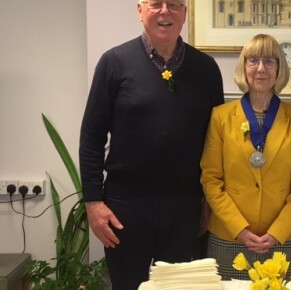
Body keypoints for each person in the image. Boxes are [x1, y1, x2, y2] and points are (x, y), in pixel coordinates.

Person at [79, 0, 224, 289]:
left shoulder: (206, 68)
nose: (165, 12)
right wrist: (94, 203)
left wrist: (209, 199)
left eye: (174, 4)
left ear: (184, 13)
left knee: (180, 287)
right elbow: (92, 135)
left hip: (184, 206)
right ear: (140, 10)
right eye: (156, 3)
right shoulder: (114, 62)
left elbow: (216, 143)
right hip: (125, 206)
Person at [200, 34, 291, 280]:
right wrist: (238, 229)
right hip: (229, 237)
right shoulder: (220, 117)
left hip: (281, 240)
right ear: (244, 67)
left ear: (279, 69)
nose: (261, 69)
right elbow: (211, 179)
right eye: (253, 60)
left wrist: (278, 231)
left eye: (269, 61)